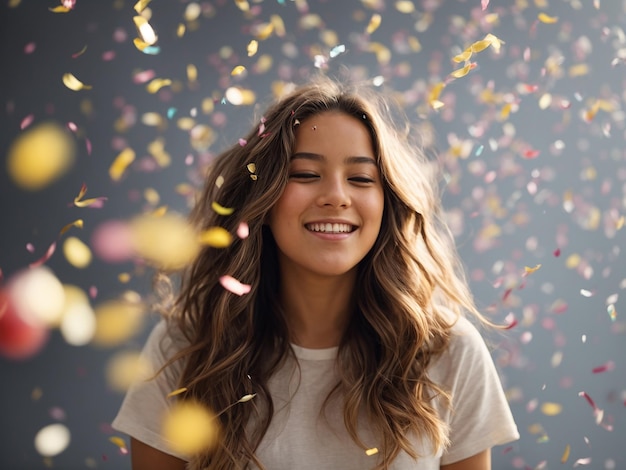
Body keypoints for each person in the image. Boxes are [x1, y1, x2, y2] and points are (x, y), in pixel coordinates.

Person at [112, 75, 519, 470]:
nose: (336, 197)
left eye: (361, 178)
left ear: (387, 204)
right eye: (305, 174)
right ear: (263, 200)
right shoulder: (185, 348)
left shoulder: (448, 353)